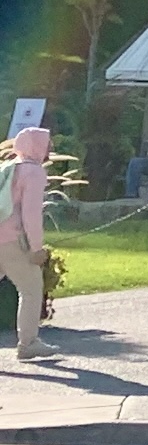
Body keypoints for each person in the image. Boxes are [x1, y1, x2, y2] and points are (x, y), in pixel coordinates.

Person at [5, 121, 54, 363]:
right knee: (32, 289)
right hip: (13, 240)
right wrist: (36, 249)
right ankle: (28, 343)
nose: (50, 149)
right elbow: (31, 215)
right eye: (46, 143)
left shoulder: (7, 167)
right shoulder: (34, 171)